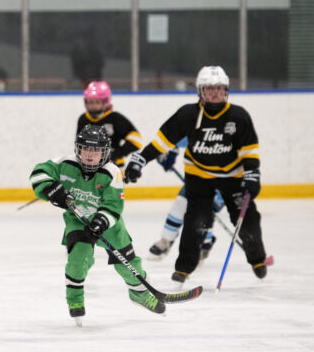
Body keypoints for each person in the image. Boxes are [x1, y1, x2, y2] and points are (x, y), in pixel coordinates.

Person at [124, 65, 269, 285]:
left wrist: (252, 174)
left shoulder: (238, 116)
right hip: (198, 176)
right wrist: (140, 160)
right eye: (209, 89)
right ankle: (184, 268)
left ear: (226, 90)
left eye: (219, 88)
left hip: (233, 176)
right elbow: (162, 142)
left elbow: (249, 150)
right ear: (200, 91)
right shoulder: (188, 114)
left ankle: (257, 259)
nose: (215, 93)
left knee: (247, 220)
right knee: (196, 222)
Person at [30, 125, 165, 324]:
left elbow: (113, 206)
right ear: (78, 149)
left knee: (127, 265)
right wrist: (51, 188)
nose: (90, 155)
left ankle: (140, 294)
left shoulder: (112, 173)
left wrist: (101, 221)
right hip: (77, 221)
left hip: (109, 226)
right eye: (86, 149)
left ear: (105, 152)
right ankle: (75, 301)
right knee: (78, 260)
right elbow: (39, 172)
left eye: (96, 150)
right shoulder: (65, 163)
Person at [147, 137, 224, 259]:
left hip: (223, 181)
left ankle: (205, 244)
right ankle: (166, 240)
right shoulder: (201, 130)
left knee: (204, 213)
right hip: (196, 179)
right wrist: (169, 154)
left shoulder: (228, 136)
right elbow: (174, 139)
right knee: (180, 204)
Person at [76, 81, 142, 169]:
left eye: (97, 102)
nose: (92, 106)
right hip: (88, 166)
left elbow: (136, 140)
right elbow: (79, 144)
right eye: (90, 102)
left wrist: (118, 153)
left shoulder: (115, 118)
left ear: (105, 102)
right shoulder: (83, 119)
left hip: (115, 166)